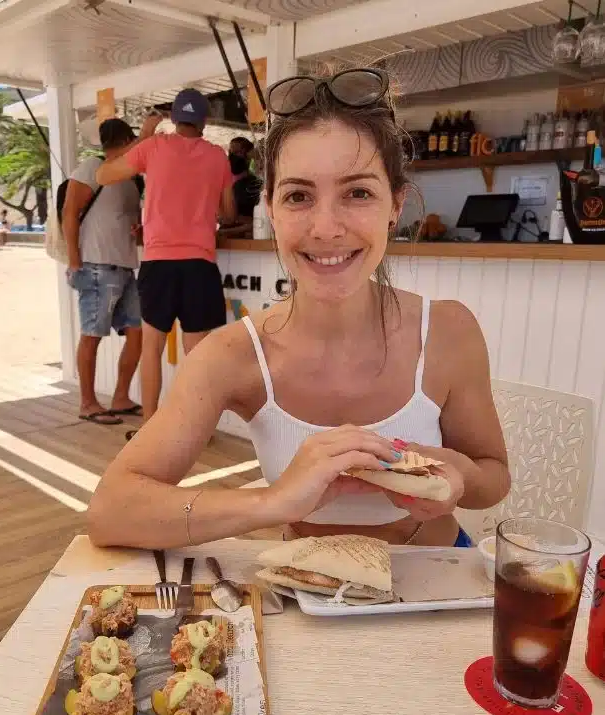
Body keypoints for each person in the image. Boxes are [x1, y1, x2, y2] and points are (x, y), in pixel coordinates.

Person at [88, 67, 510, 551]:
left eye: (357, 193)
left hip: (438, 586)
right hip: (304, 597)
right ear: (269, 206)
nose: (326, 227)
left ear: (394, 205)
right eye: (299, 196)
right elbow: (110, 510)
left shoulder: (448, 331)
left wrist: (457, 475)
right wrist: (273, 502)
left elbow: (494, 477)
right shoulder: (233, 355)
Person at [96, 89, 237, 424]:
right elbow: (229, 212)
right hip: (199, 263)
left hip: (158, 263)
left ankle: (150, 426)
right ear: (204, 122)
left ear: (174, 118)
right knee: (197, 357)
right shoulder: (217, 156)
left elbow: (103, 175)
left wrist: (144, 135)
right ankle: (196, 427)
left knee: (152, 349)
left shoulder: (153, 147)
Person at [63, 118, 143, 426]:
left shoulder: (129, 178)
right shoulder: (91, 168)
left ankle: (120, 397)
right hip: (96, 264)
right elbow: (69, 213)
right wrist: (74, 259)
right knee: (92, 334)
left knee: (137, 334)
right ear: (124, 140)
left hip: (125, 265)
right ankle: (87, 402)